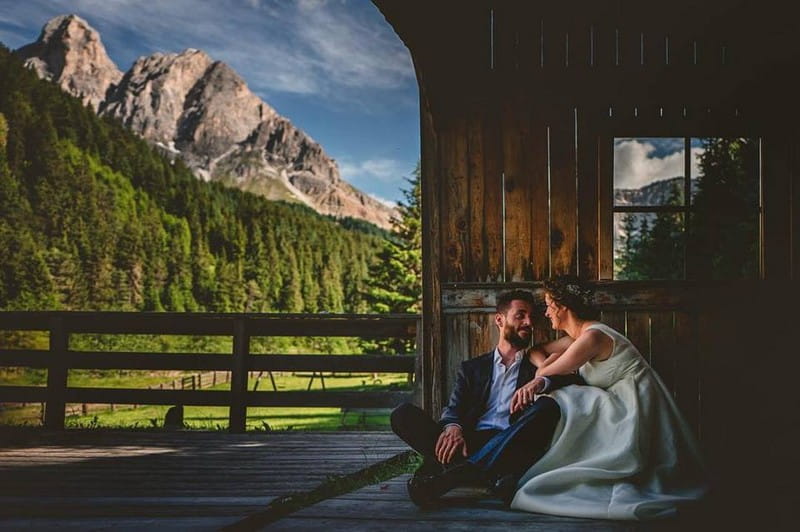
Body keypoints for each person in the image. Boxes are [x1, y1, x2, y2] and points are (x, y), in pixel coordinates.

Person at [508, 276, 708, 520]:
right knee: (570, 397)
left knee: (568, 397)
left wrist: (545, 370)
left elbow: (548, 372)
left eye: (549, 306)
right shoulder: (576, 338)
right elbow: (535, 353)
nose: (547, 313)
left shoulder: (593, 337)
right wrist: (547, 364)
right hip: (616, 399)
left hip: (636, 401)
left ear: (562, 307)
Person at [390, 289, 584, 507]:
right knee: (402, 414)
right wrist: (453, 427)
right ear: (500, 320)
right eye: (520, 315)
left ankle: (452, 476)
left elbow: (574, 382)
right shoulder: (473, 368)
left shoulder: (538, 365)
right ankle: (491, 476)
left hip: (510, 443)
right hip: (470, 441)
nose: (529, 322)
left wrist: (543, 381)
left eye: (531, 317)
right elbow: (455, 407)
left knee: (547, 407)